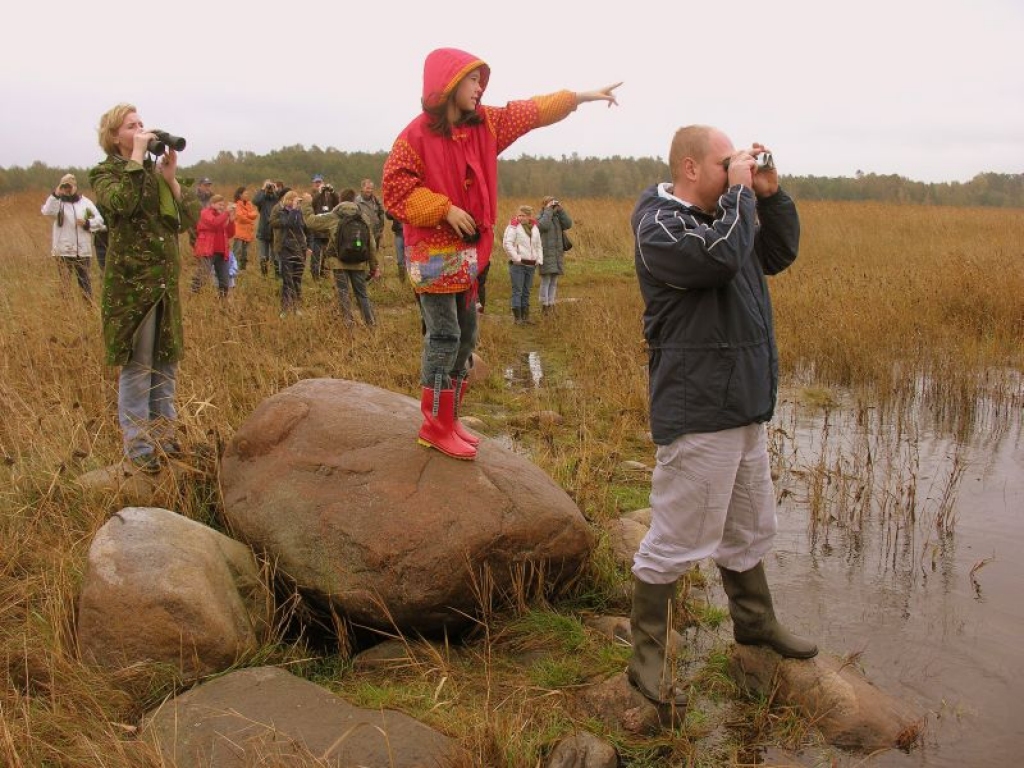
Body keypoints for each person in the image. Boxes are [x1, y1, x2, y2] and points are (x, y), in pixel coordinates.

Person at [628, 124, 817, 722]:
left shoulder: (731, 213)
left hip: (743, 403)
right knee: (675, 538)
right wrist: (740, 196)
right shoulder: (660, 226)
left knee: (748, 523)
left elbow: (777, 253)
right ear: (689, 168)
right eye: (723, 163)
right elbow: (718, 260)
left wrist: (769, 192)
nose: (734, 169)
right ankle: (646, 661)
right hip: (699, 406)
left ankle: (755, 626)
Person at [382, 46, 620, 460]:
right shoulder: (414, 137)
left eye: (480, 80)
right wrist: (444, 208)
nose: (480, 88)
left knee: (468, 333)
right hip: (433, 255)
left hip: (470, 254)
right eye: (472, 80)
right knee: (444, 335)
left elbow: (531, 111)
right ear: (450, 83)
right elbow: (395, 191)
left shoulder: (486, 124)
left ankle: (450, 417)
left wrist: (579, 97)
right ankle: (434, 424)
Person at [88, 103, 201, 474]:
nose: (140, 129)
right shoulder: (106, 173)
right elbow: (121, 204)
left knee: (166, 365)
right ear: (114, 135)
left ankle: (165, 441)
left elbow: (188, 222)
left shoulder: (152, 175)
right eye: (131, 125)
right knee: (138, 368)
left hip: (164, 285)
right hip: (131, 288)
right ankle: (139, 450)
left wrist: (169, 178)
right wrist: (137, 156)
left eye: (141, 123)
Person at [301, 187, 380, 327]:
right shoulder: (363, 217)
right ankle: (371, 323)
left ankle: (348, 323)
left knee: (343, 293)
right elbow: (372, 244)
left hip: (338, 261)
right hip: (359, 262)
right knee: (362, 294)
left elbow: (310, 222)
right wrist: (374, 267)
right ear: (355, 199)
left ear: (341, 200)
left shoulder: (334, 216)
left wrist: (307, 203)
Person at [41, 173, 104, 300]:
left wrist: (87, 223)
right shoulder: (58, 204)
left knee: (85, 283)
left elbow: (99, 221)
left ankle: (88, 310)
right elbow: (47, 211)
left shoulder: (85, 203)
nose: (68, 188)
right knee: (65, 284)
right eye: (65, 185)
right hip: (64, 251)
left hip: (83, 251)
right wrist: (56, 193)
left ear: (75, 186)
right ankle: (67, 312)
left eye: (70, 185)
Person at [502, 204, 543, 324]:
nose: (520, 217)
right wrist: (516, 258)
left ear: (529, 216)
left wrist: (539, 260)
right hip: (518, 265)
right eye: (519, 215)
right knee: (517, 291)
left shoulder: (535, 227)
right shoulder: (513, 227)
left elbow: (538, 245)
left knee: (526, 291)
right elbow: (507, 244)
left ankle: (526, 317)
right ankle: (517, 318)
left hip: (531, 264)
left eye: (523, 215)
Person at [273, 190, 310, 316]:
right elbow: (287, 223)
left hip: (300, 249)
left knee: (297, 280)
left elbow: (305, 228)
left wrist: (308, 245)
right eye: (295, 200)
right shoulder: (282, 212)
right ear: (289, 200)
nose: (297, 203)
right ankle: (285, 308)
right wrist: (293, 209)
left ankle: (296, 307)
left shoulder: (299, 213)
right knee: (287, 281)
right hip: (287, 250)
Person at [192, 194, 235, 297]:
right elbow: (214, 223)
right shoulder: (205, 213)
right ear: (212, 204)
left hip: (222, 252)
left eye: (223, 205)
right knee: (202, 276)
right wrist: (226, 213)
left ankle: (223, 301)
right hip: (207, 250)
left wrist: (232, 221)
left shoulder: (223, 215)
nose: (222, 207)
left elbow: (230, 234)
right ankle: (193, 296)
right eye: (220, 204)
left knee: (224, 280)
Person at [536, 196, 573, 313]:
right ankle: (544, 305)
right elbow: (543, 226)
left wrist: (561, 210)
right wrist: (548, 211)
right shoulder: (540, 216)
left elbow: (568, 224)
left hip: (557, 253)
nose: (553, 206)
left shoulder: (557, 218)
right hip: (546, 252)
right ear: (544, 205)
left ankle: (551, 304)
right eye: (550, 204)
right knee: (546, 279)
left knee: (554, 280)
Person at [309, 174, 340, 280]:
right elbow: (312, 204)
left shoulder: (329, 196)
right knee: (315, 256)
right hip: (316, 232)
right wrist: (319, 192)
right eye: (316, 183)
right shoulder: (312, 195)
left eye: (320, 182)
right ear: (313, 184)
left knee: (327, 256)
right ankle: (315, 277)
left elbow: (337, 203)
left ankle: (324, 275)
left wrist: (332, 192)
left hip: (327, 231)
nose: (318, 184)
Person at [253, 179, 280, 276]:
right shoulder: (262, 199)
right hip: (263, 231)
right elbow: (255, 201)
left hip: (274, 231)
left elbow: (281, 200)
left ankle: (277, 275)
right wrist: (263, 189)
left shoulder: (276, 199)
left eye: (270, 186)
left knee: (276, 255)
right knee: (263, 256)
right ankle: (264, 275)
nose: (269, 189)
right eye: (268, 187)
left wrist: (275, 189)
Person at [231, 186, 258, 271]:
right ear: (240, 195)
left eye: (247, 193)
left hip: (248, 233)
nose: (247, 195)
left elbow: (255, 214)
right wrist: (250, 219)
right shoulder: (236, 204)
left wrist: (247, 216)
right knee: (237, 252)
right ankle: (234, 270)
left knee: (245, 253)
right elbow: (240, 217)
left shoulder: (249, 204)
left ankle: (243, 270)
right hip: (239, 233)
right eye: (245, 193)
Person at [355, 178, 385, 249]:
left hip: (376, 234)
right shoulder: (356, 201)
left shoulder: (376, 200)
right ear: (362, 188)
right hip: (361, 234)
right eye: (367, 188)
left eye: (371, 188)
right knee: (360, 250)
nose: (370, 190)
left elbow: (381, 214)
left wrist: (381, 229)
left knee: (375, 253)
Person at [384, 208, 407, 282]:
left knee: (412, 259)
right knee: (400, 260)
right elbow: (388, 215)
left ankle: (413, 281)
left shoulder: (413, 201)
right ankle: (402, 280)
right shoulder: (397, 202)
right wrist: (395, 211)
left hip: (410, 235)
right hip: (399, 234)